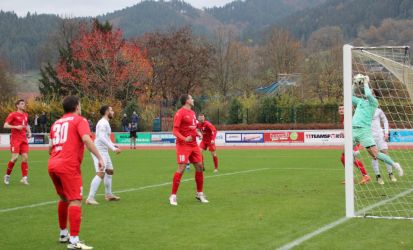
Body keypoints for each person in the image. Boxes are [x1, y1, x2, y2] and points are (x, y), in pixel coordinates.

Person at [48, 96, 104, 250]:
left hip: (53, 164)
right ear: (77, 106)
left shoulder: (56, 123)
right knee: (75, 201)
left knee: (64, 198)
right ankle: (74, 241)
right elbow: (86, 139)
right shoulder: (80, 120)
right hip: (68, 165)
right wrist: (99, 157)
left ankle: (63, 233)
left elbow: (49, 148)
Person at [351, 74, 403, 179]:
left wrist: (365, 82)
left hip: (364, 131)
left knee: (375, 154)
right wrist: (354, 84)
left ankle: (394, 165)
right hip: (353, 130)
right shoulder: (360, 101)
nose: (370, 92)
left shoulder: (374, 103)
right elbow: (350, 97)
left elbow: (369, 95)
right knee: (346, 151)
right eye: (370, 90)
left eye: (372, 92)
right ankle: (354, 155)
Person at [169, 94, 208, 206]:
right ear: (187, 101)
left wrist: (198, 133)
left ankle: (199, 193)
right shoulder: (180, 113)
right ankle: (173, 196)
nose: (193, 99)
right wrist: (184, 138)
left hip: (193, 144)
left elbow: (193, 128)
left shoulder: (192, 113)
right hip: (183, 145)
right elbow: (175, 131)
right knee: (181, 168)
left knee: (200, 166)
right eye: (191, 98)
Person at [86, 105, 121, 205]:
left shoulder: (106, 123)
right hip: (99, 151)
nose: (113, 112)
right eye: (111, 110)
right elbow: (101, 137)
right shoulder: (102, 123)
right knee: (101, 173)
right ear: (106, 112)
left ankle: (108, 195)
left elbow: (106, 137)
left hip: (104, 151)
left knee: (109, 171)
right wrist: (113, 148)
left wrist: (113, 144)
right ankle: (90, 198)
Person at [338, 105, 370, 184]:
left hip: (354, 139)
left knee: (350, 157)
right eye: (340, 109)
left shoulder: (350, 117)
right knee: (344, 158)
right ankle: (352, 177)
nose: (341, 110)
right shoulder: (344, 118)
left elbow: (356, 127)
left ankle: (365, 176)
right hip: (350, 139)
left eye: (343, 108)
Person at [3, 99, 31, 185]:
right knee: (15, 158)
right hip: (15, 139)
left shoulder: (26, 115)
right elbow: (5, 125)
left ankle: (24, 178)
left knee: (25, 158)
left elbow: (26, 125)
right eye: (22, 104)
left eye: (24, 103)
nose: (24, 105)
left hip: (23, 139)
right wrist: (15, 127)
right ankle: (7, 175)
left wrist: (29, 132)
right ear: (17, 106)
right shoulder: (13, 114)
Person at [371, 106, 398, 184]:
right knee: (374, 156)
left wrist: (386, 133)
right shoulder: (364, 110)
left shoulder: (378, 110)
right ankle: (378, 176)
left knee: (385, 154)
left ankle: (390, 173)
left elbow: (385, 121)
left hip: (380, 135)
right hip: (370, 136)